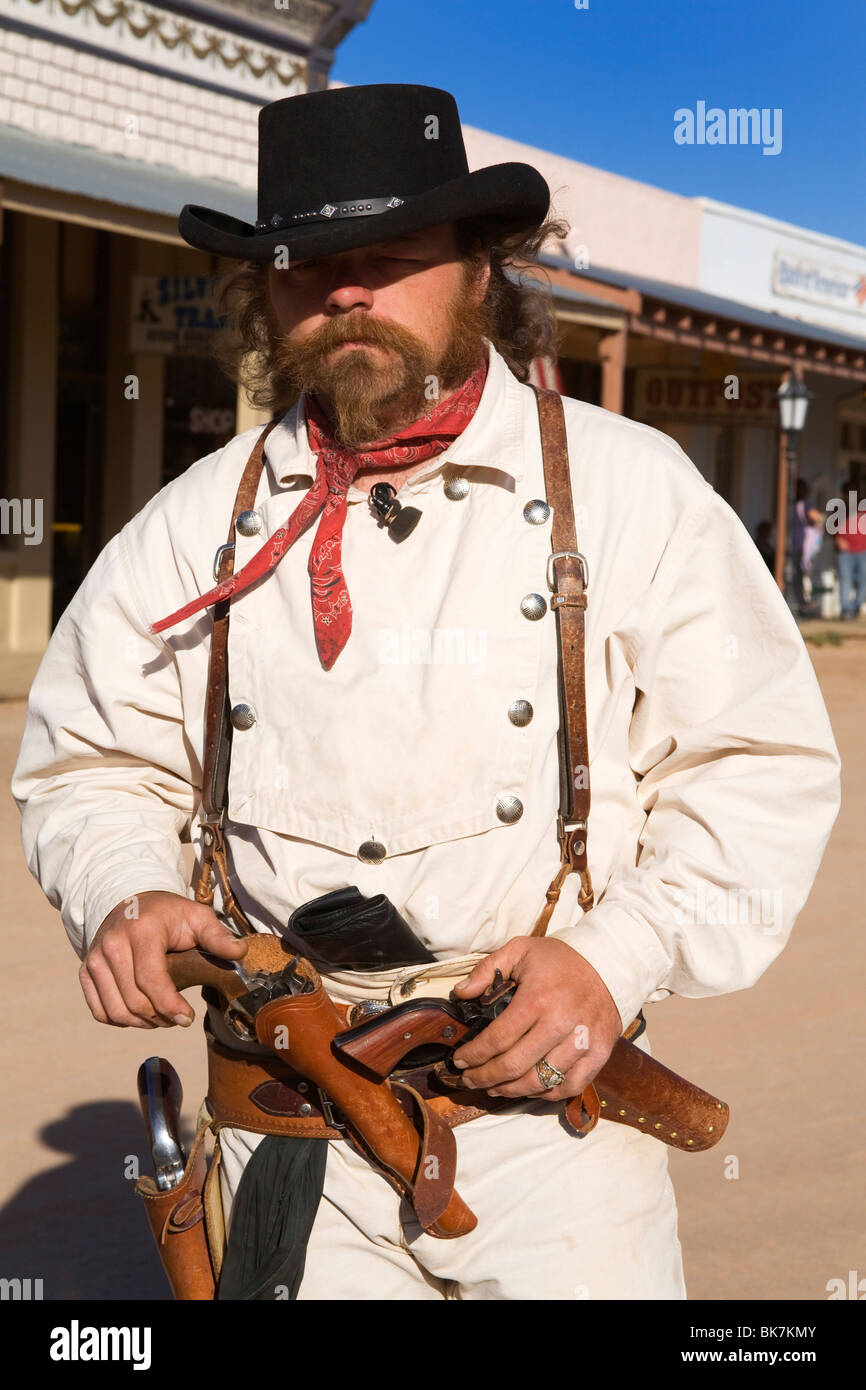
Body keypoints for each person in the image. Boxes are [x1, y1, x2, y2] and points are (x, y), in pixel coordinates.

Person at [12, 83, 841, 1301]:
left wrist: (614, 956)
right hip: (287, 1115)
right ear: (264, 293)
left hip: (554, 1126)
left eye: (390, 259)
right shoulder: (192, 524)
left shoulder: (629, 490)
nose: (345, 291)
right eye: (304, 268)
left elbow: (754, 765)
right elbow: (93, 762)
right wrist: (122, 885)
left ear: (478, 271)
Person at [791, 478, 825, 612]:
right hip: (803, 545)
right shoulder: (804, 504)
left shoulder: (791, 504)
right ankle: (803, 603)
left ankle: (798, 602)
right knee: (803, 575)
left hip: (793, 544)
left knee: (797, 575)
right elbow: (817, 517)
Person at [834, 479, 866, 620]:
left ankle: (856, 605)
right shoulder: (838, 507)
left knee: (863, 579)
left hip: (863, 549)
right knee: (845, 578)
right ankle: (845, 609)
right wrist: (837, 539)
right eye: (848, 491)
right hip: (845, 551)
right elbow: (832, 528)